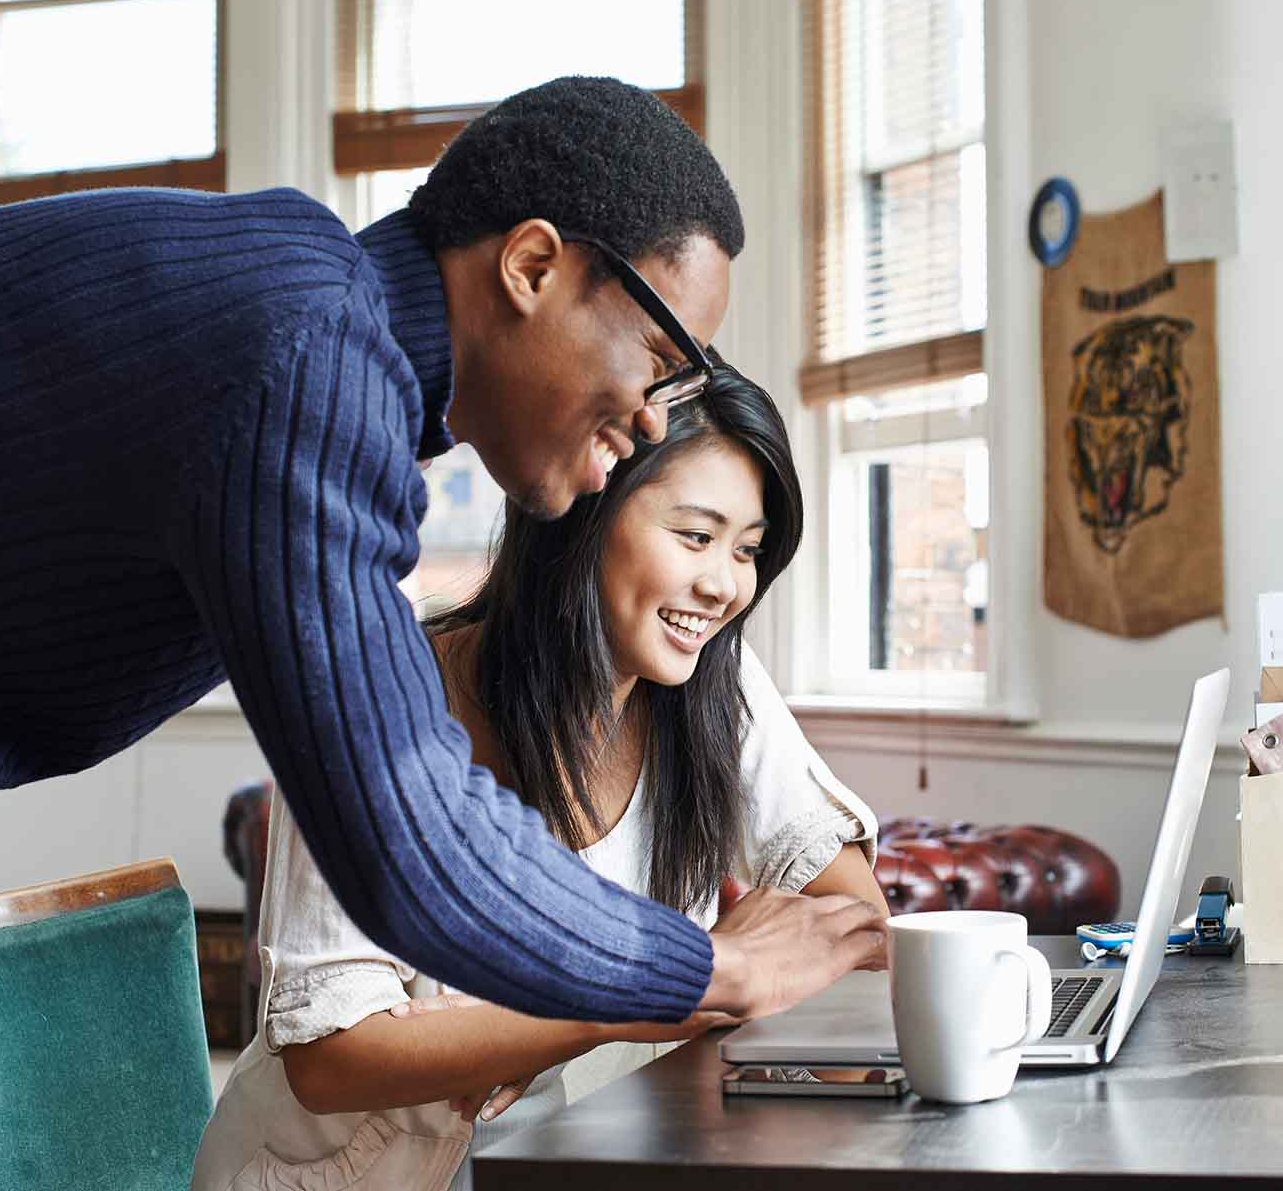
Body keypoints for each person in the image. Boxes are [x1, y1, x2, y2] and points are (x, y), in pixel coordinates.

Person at [0, 77, 885, 1189]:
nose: (653, 412)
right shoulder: (302, 355)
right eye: (658, 353)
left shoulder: (313, 337)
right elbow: (412, 847)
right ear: (533, 266)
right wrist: (703, 969)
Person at [192, 360, 888, 1191]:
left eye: (748, 550)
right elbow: (332, 1055)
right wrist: (651, 988)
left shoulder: (712, 683)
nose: (724, 584)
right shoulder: (380, 693)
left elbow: (856, 922)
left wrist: (673, 987)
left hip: (573, 1158)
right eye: (696, 536)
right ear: (585, 512)